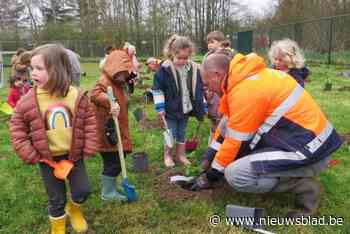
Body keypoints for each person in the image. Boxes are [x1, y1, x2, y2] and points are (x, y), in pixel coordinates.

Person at [190, 50, 342, 218]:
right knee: (233, 158)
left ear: (217, 75)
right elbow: (228, 126)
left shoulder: (245, 91)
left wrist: (212, 175)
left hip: (308, 152)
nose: (207, 88)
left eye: (206, 83)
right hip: (304, 141)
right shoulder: (245, 79)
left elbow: (235, 142)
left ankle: (302, 185)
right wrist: (209, 157)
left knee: (235, 174)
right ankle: (287, 176)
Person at [9, 44, 98, 234]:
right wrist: (29, 152)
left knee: (82, 191)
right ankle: (57, 227)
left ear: (58, 70)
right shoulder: (29, 99)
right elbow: (17, 126)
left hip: (73, 155)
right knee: (56, 198)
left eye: (39, 69)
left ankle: (74, 210)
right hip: (47, 159)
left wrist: (89, 146)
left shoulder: (76, 96)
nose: (33, 73)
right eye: (32, 68)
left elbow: (89, 121)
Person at [152, 34, 206, 167]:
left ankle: (181, 155)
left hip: (185, 108)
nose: (182, 61)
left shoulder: (194, 69)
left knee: (182, 132)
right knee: (171, 132)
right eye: (179, 58)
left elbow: (199, 89)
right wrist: (160, 107)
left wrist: (203, 105)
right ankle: (168, 155)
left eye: (185, 58)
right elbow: (158, 90)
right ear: (171, 54)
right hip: (170, 109)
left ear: (190, 54)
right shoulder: (164, 70)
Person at [91, 49, 135, 202]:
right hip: (108, 130)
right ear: (113, 68)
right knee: (114, 161)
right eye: (122, 72)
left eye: (126, 73)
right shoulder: (104, 81)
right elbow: (95, 94)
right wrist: (108, 101)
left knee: (117, 158)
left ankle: (112, 187)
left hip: (116, 127)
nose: (125, 76)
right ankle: (107, 193)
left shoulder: (118, 82)